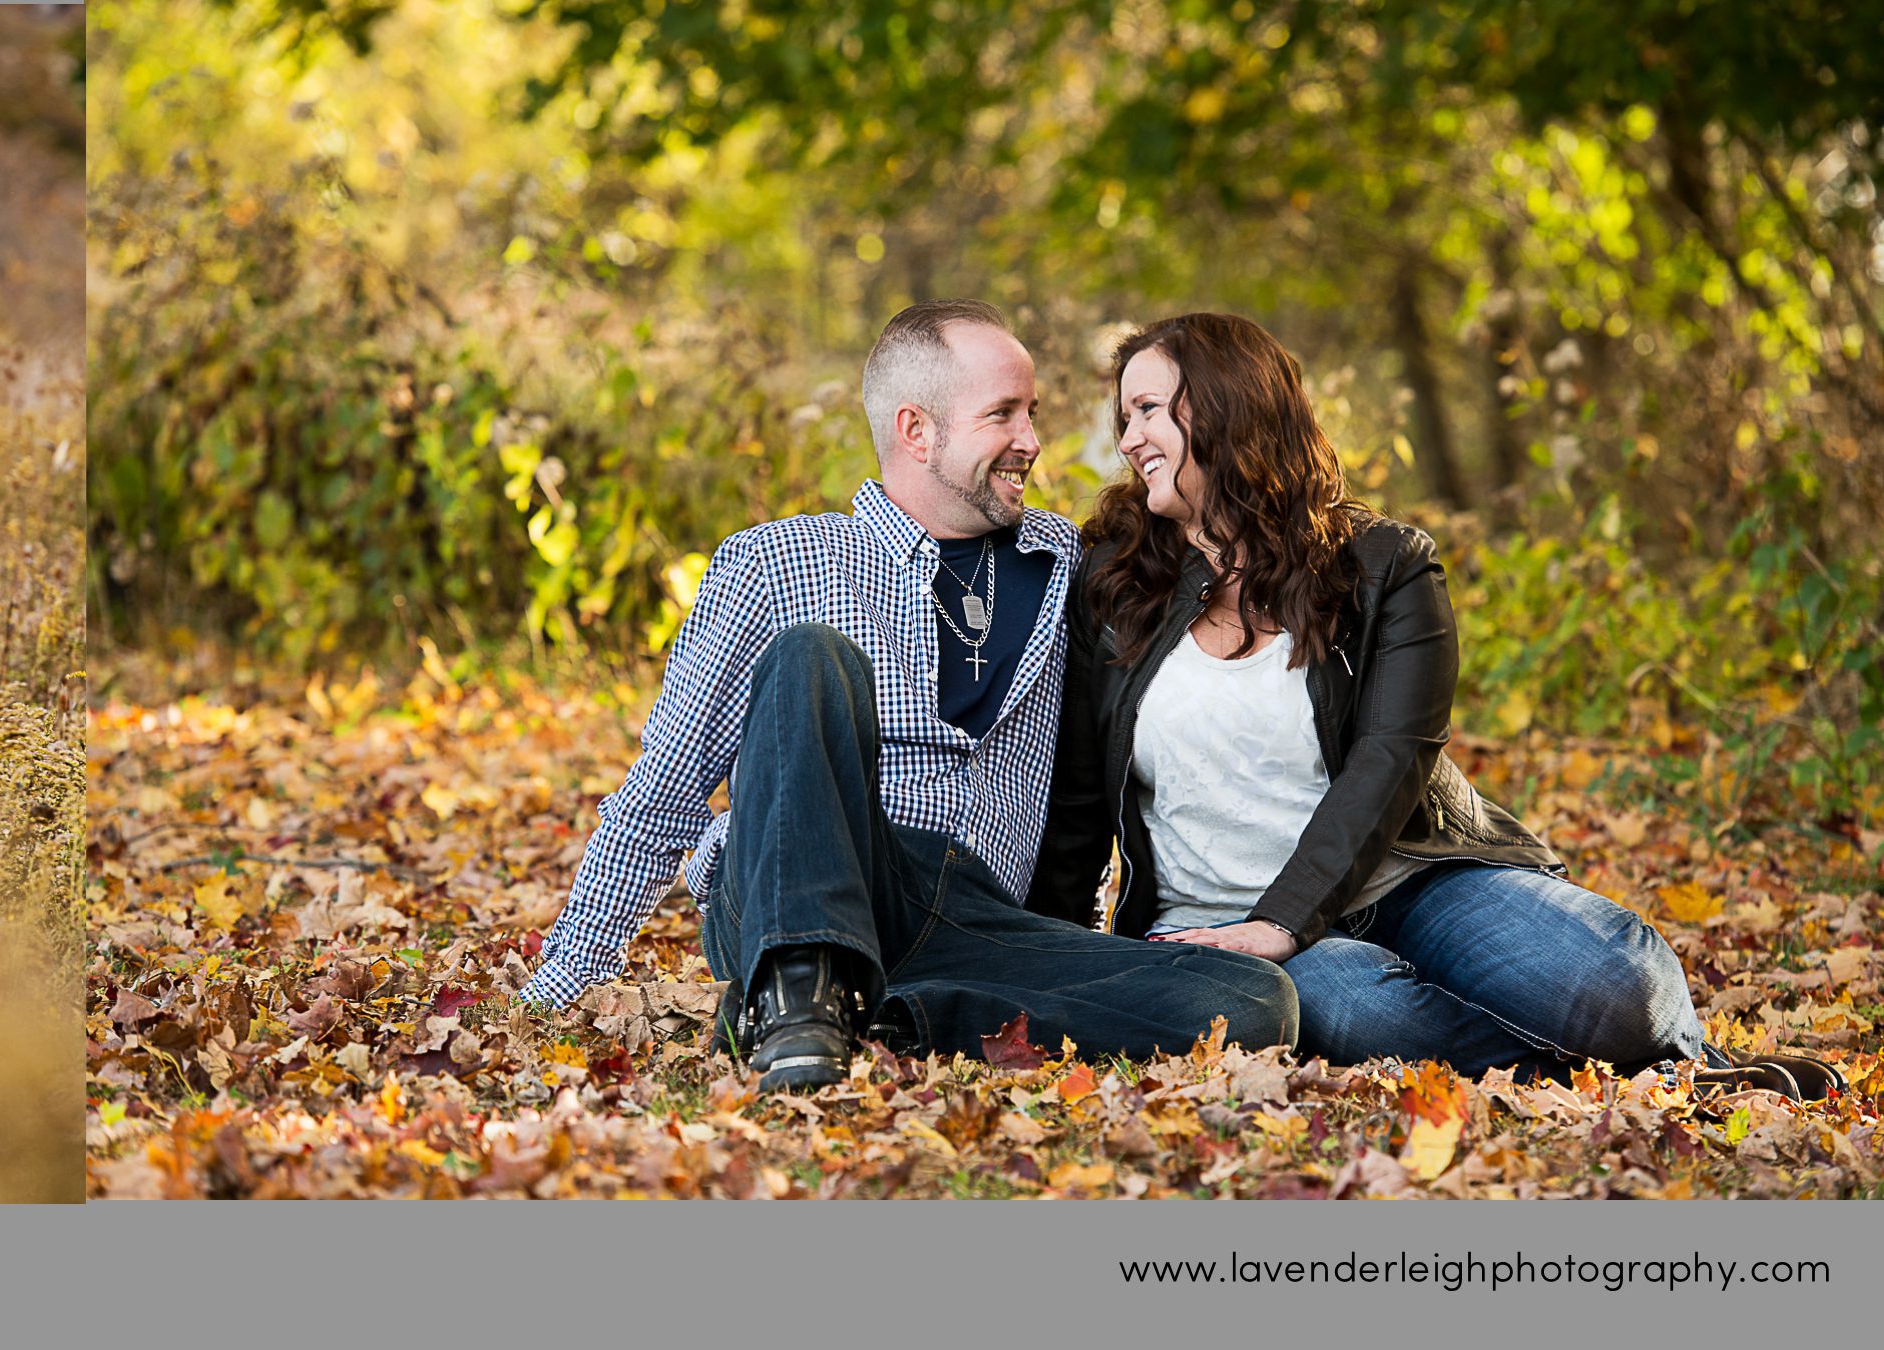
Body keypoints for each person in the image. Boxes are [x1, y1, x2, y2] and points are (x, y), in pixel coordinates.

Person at [1027, 312, 1844, 1099]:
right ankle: (1664, 1076)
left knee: (1615, 978)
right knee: (1362, 1012)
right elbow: (1075, 797)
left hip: (1411, 880)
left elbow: (1391, 759)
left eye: (1145, 409)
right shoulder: (1114, 585)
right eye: (1123, 414)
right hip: (1223, 929)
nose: (1127, 438)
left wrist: (1287, 914)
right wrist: (1047, 965)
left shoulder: (1382, 567)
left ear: (1227, 406)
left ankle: (1651, 1050)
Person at [521, 300, 1298, 1090]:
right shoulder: (779, 561)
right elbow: (662, 794)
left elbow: (1221, 524)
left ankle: (886, 1020)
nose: (1030, 440)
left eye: (1032, 413)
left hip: (969, 917)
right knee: (811, 657)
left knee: (1250, 999)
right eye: (1002, 415)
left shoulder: (1068, 561)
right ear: (915, 431)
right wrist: (559, 988)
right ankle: (799, 991)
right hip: (794, 884)